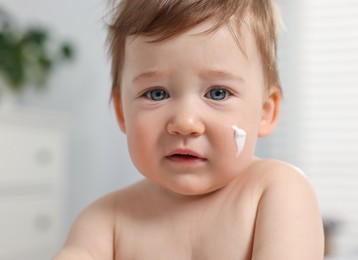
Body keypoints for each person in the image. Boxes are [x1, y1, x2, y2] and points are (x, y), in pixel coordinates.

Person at [54, 0, 324, 259]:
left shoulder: (276, 193)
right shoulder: (104, 221)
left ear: (266, 111)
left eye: (218, 93)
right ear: (123, 111)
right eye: (157, 94)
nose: (185, 122)